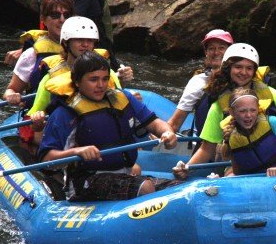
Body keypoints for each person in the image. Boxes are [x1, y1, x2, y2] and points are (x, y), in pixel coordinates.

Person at [37, 51, 177, 201]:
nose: (101, 85)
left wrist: (168, 132)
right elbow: (47, 160)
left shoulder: (123, 98)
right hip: (86, 181)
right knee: (145, 188)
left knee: (176, 188)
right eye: (93, 79)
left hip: (125, 173)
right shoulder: (64, 113)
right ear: (77, 81)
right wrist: (77, 151)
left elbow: (154, 123)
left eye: (105, 79)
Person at [173, 43, 276, 179]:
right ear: (228, 68)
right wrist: (188, 168)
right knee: (230, 177)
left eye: (249, 68)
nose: (243, 72)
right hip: (241, 165)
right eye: (238, 67)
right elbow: (206, 148)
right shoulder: (218, 106)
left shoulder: (274, 96)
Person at [220, 88, 276, 187]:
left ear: (258, 108)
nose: (248, 115)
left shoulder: (272, 122)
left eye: (253, 110)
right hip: (259, 182)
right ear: (232, 112)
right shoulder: (232, 138)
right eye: (242, 111)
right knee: (229, 178)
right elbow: (238, 173)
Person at [3, 0, 72, 105]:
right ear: (43, 19)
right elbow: (11, 89)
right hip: (39, 115)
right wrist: (11, 95)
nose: (62, 19)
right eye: (55, 15)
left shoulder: (83, 48)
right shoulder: (31, 54)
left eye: (67, 15)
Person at [166, 29, 233, 134]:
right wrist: (163, 133)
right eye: (211, 48)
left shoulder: (242, 76)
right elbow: (175, 123)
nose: (216, 52)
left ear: (230, 51)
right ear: (206, 52)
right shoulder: (198, 81)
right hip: (208, 141)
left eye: (221, 48)